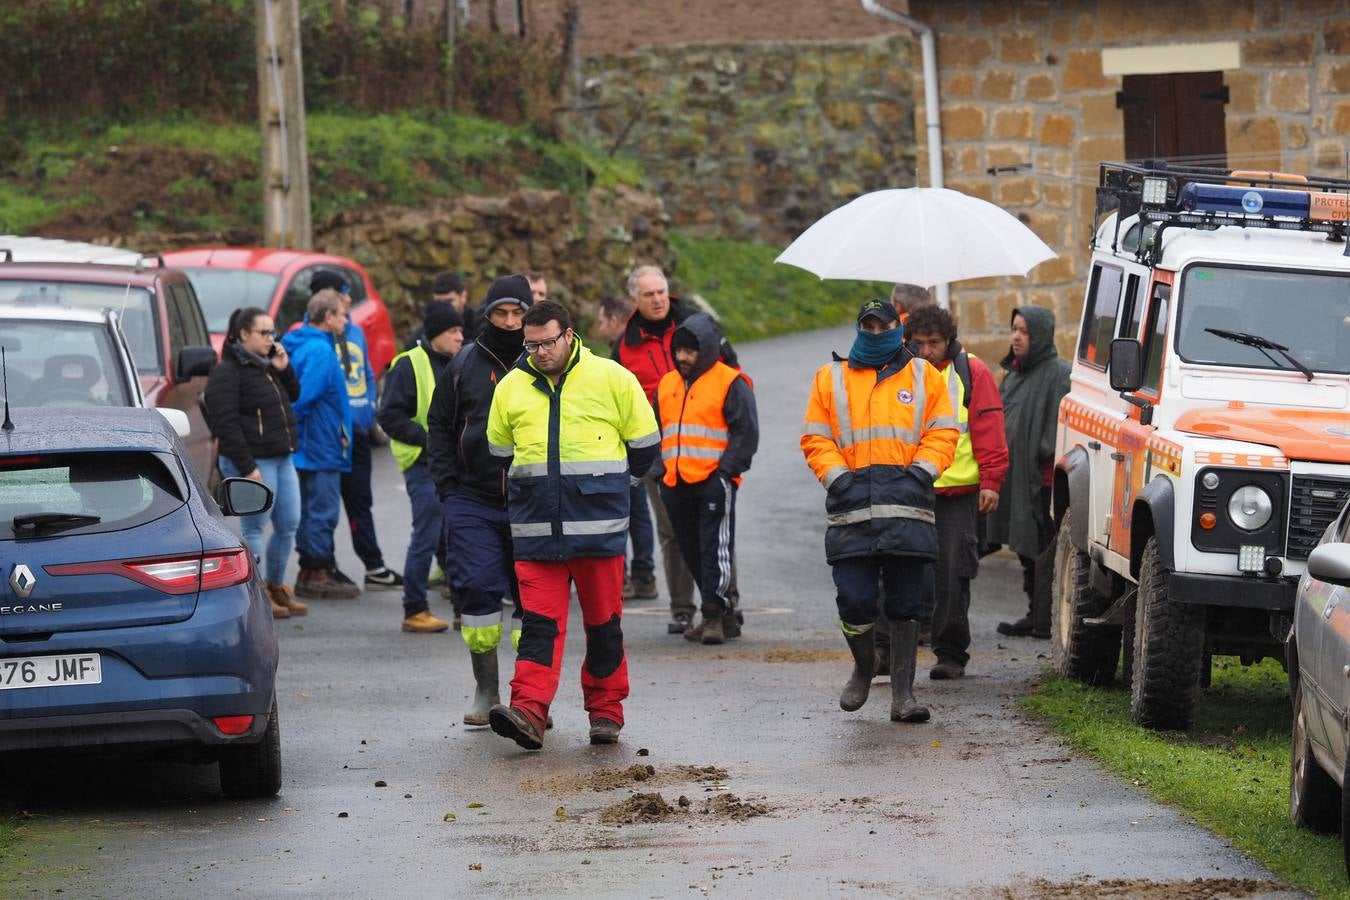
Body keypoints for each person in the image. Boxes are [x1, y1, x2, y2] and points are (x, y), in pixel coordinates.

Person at [485, 299, 660, 750]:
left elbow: (644, 446)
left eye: (547, 343)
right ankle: (528, 710)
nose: (540, 352)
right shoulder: (510, 387)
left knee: (604, 626)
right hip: (535, 532)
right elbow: (500, 453)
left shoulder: (612, 377)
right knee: (539, 627)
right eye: (531, 344)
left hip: (598, 532)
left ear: (569, 335)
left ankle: (605, 711)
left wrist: (615, 489)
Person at [800, 299, 958, 723]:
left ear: (896, 328)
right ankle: (865, 664)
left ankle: (903, 694)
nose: (874, 333)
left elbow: (944, 432)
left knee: (907, 604)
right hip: (851, 510)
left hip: (908, 508)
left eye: (882, 326)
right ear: (858, 328)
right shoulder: (829, 378)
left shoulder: (925, 375)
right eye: (866, 327)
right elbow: (816, 438)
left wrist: (919, 475)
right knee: (854, 599)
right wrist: (839, 478)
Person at [426, 275, 532, 726]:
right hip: (472, 499)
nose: (509, 323)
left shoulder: (546, 358)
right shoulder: (465, 363)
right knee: (476, 589)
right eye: (500, 314)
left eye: (518, 314)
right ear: (486, 314)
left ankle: (529, 696)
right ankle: (486, 688)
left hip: (533, 498)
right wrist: (448, 488)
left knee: (534, 600)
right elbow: (439, 426)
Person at [614, 264, 739, 635]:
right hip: (660, 454)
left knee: (716, 532)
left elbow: (736, 375)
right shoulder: (625, 345)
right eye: (649, 294)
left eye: (661, 292)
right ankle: (682, 608)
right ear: (633, 300)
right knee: (672, 533)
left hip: (708, 453)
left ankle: (726, 607)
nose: (657, 300)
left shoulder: (698, 325)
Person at [902, 306, 1008, 679]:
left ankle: (949, 653)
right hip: (911, 488)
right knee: (899, 571)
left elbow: (989, 427)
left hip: (958, 492)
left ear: (949, 340)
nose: (927, 350)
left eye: (934, 343)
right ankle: (888, 650)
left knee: (953, 576)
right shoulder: (901, 372)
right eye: (919, 343)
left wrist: (992, 482)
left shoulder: (971, 371)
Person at [656, 314, 758, 645]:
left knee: (715, 548)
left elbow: (746, 431)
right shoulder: (667, 383)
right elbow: (659, 429)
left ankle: (714, 614)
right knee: (691, 550)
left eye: (691, 351)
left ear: (709, 349)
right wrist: (660, 471)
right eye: (679, 351)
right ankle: (723, 613)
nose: (683, 357)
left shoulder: (731, 382)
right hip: (675, 482)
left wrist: (725, 473)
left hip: (714, 480)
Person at [204, 307, 306, 619]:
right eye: (264, 333)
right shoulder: (227, 372)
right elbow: (225, 423)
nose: (270, 339)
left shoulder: (266, 365)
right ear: (243, 334)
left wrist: (284, 368)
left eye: (272, 333)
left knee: (289, 523)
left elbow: (294, 395)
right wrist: (247, 466)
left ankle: (276, 586)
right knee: (254, 527)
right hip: (254, 461)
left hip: (281, 456)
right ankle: (258, 592)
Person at [310, 271, 403, 592]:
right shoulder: (313, 336)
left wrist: (365, 418)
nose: (350, 298)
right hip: (330, 435)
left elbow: (364, 373)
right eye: (343, 292)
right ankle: (324, 567)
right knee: (324, 506)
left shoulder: (356, 331)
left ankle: (373, 566)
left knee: (360, 501)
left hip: (358, 433)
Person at [378, 301, 465, 635]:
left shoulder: (460, 361)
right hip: (421, 462)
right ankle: (414, 608)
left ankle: (462, 608)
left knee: (457, 535)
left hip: (453, 463)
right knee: (427, 536)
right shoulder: (408, 365)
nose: (460, 336)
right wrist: (430, 440)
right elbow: (389, 416)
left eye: (461, 330)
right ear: (436, 335)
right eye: (453, 331)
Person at [987, 306, 1071, 639]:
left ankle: (1046, 617)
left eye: (1024, 331)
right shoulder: (1015, 375)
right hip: (1017, 478)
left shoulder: (1059, 374)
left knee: (1045, 549)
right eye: (1014, 329)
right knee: (1025, 548)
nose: (1017, 336)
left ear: (1039, 335)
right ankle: (1034, 614)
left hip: (1046, 482)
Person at [282, 288, 358, 600]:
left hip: (312, 441)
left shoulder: (301, 343)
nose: (346, 320)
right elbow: (303, 398)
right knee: (322, 510)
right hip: (321, 443)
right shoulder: (321, 351)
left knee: (311, 508)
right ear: (328, 318)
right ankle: (316, 572)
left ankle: (314, 567)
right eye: (342, 314)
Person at [598, 293, 657, 602]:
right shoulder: (632, 346)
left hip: (627, 441)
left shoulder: (620, 353)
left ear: (614, 321)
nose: (598, 328)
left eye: (601, 321)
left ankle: (626, 578)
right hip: (644, 436)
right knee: (640, 511)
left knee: (626, 509)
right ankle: (644, 576)